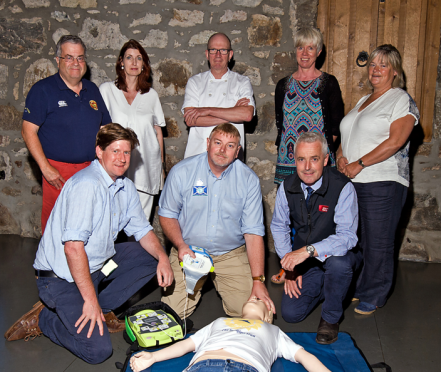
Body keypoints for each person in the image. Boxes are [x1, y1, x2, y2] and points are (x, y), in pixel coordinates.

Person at [4, 124, 173, 364]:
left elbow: (142, 230)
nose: (122, 158)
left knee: (150, 256)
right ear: (99, 151)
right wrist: (89, 301)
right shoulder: (87, 186)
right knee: (97, 351)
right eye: (115, 151)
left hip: (97, 267)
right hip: (60, 279)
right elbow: (73, 248)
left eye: (126, 152)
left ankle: (99, 308)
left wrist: (164, 258)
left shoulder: (124, 187)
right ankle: (44, 319)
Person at [336, 44, 419, 315]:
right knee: (357, 238)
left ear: (394, 71)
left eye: (383, 65)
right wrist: (340, 156)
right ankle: (360, 288)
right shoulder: (363, 101)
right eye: (372, 64)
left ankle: (375, 293)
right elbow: (348, 137)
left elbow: (395, 141)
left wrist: (359, 163)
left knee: (378, 240)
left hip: (383, 180)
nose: (376, 70)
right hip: (353, 180)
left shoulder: (400, 99)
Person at [159, 123, 275, 318]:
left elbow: (253, 232)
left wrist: (258, 280)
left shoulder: (248, 180)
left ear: (238, 151)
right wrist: (180, 245)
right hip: (189, 251)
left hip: (230, 254)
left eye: (230, 146)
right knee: (170, 317)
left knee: (257, 315)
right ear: (207, 143)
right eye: (218, 142)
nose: (222, 150)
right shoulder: (182, 172)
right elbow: (167, 214)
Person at [271, 132, 360, 345]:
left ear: (326, 159)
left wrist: (307, 251)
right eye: (301, 159)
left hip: (337, 256)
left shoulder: (343, 187)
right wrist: (289, 264)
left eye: (314, 159)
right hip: (306, 261)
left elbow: (347, 237)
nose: (307, 167)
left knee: (339, 264)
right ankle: (332, 286)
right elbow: (278, 226)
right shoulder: (287, 187)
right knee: (292, 314)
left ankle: (330, 318)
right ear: (295, 160)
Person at [271, 27, 344, 285]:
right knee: (290, 217)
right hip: (289, 162)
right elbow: (282, 125)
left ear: (319, 52)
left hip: (317, 161)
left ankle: (319, 267)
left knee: (321, 217)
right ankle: (289, 268)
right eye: (301, 47)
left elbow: (335, 128)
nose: (305, 53)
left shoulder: (328, 83)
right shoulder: (284, 85)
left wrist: (321, 159)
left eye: (310, 48)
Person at [22, 35, 111, 233]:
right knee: (57, 225)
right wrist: (45, 168)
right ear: (58, 60)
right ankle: (51, 265)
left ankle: (87, 264)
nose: (75, 63)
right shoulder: (42, 90)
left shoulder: (92, 90)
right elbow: (28, 131)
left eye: (80, 58)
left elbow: (105, 129)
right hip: (58, 172)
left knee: (89, 222)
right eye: (69, 57)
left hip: (91, 169)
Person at [130, 298, 331, 372]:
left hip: (245, 366)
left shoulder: (274, 331)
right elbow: (186, 344)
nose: (254, 295)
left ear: (268, 317)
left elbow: (304, 356)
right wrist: (153, 356)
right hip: (203, 366)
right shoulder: (219, 321)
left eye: (260, 299)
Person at [100, 39, 165, 221]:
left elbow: (157, 131)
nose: (134, 63)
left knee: (141, 223)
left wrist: (161, 168)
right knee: (112, 220)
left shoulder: (151, 95)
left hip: (146, 164)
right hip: (116, 163)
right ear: (121, 62)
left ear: (144, 64)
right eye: (129, 57)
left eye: (139, 58)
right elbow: (100, 128)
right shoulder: (107, 91)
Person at [182, 32, 255, 159]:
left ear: (230, 55)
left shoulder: (242, 82)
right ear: (207, 54)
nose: (218, 55)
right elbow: (190, 119)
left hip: (230, 157)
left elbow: (247, 115)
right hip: (198, 154)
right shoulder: (195, 82)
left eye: (223, 50)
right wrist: (233, 114)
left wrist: (207, 110)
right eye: (213, 50)